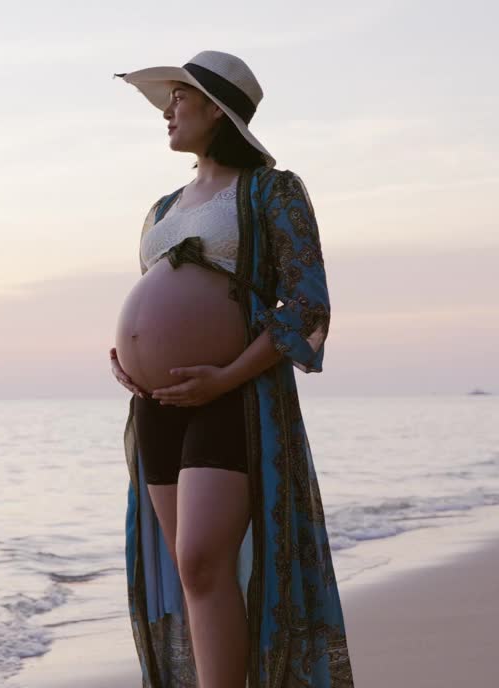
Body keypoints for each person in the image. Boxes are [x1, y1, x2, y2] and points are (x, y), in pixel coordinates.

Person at [108, 51, 353, 687]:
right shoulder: (161, 208)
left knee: (201, 560)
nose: (167, 110)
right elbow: (157, 297)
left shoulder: (274, 190)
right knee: (188, 571)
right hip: (155, 404)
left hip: (232, 393)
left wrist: (226, 376)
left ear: (217, 109)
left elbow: (305, 302)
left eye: (180, 98)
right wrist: (127, 354)